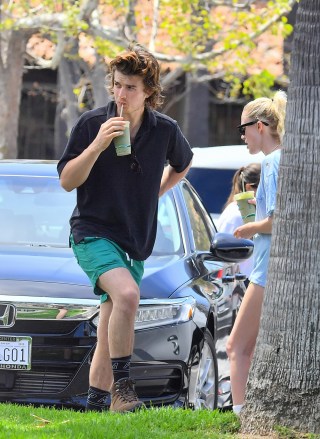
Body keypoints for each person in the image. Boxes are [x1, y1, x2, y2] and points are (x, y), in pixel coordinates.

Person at [57, 44, 193, 413]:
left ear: (148, 91)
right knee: (129, 296)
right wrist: (98, 143)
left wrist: (156, 194)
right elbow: (68, 181)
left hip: (134, 239)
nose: (121, 94)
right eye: (117, 85)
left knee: (109, 326)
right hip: (92, 231)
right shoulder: (90, 123)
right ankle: (124, 389)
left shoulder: (164, 130)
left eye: (131, 87)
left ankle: (97, 405)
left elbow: (183, 163)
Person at [226, 90, 287, 415]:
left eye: (244, 128)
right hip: (270, 269)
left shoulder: (272, 161)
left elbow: (277, 223)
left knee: (236, 346)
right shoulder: (279, 159)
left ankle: (241, 417)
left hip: (266, 272)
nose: (243, 136)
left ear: (260, 126)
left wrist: (250, 227)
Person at [217, 163, 261, 284]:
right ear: (249, 188)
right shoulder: (235, 215)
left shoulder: (251, 213)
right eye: (264, 188)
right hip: (239, 282)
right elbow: (223, 259)